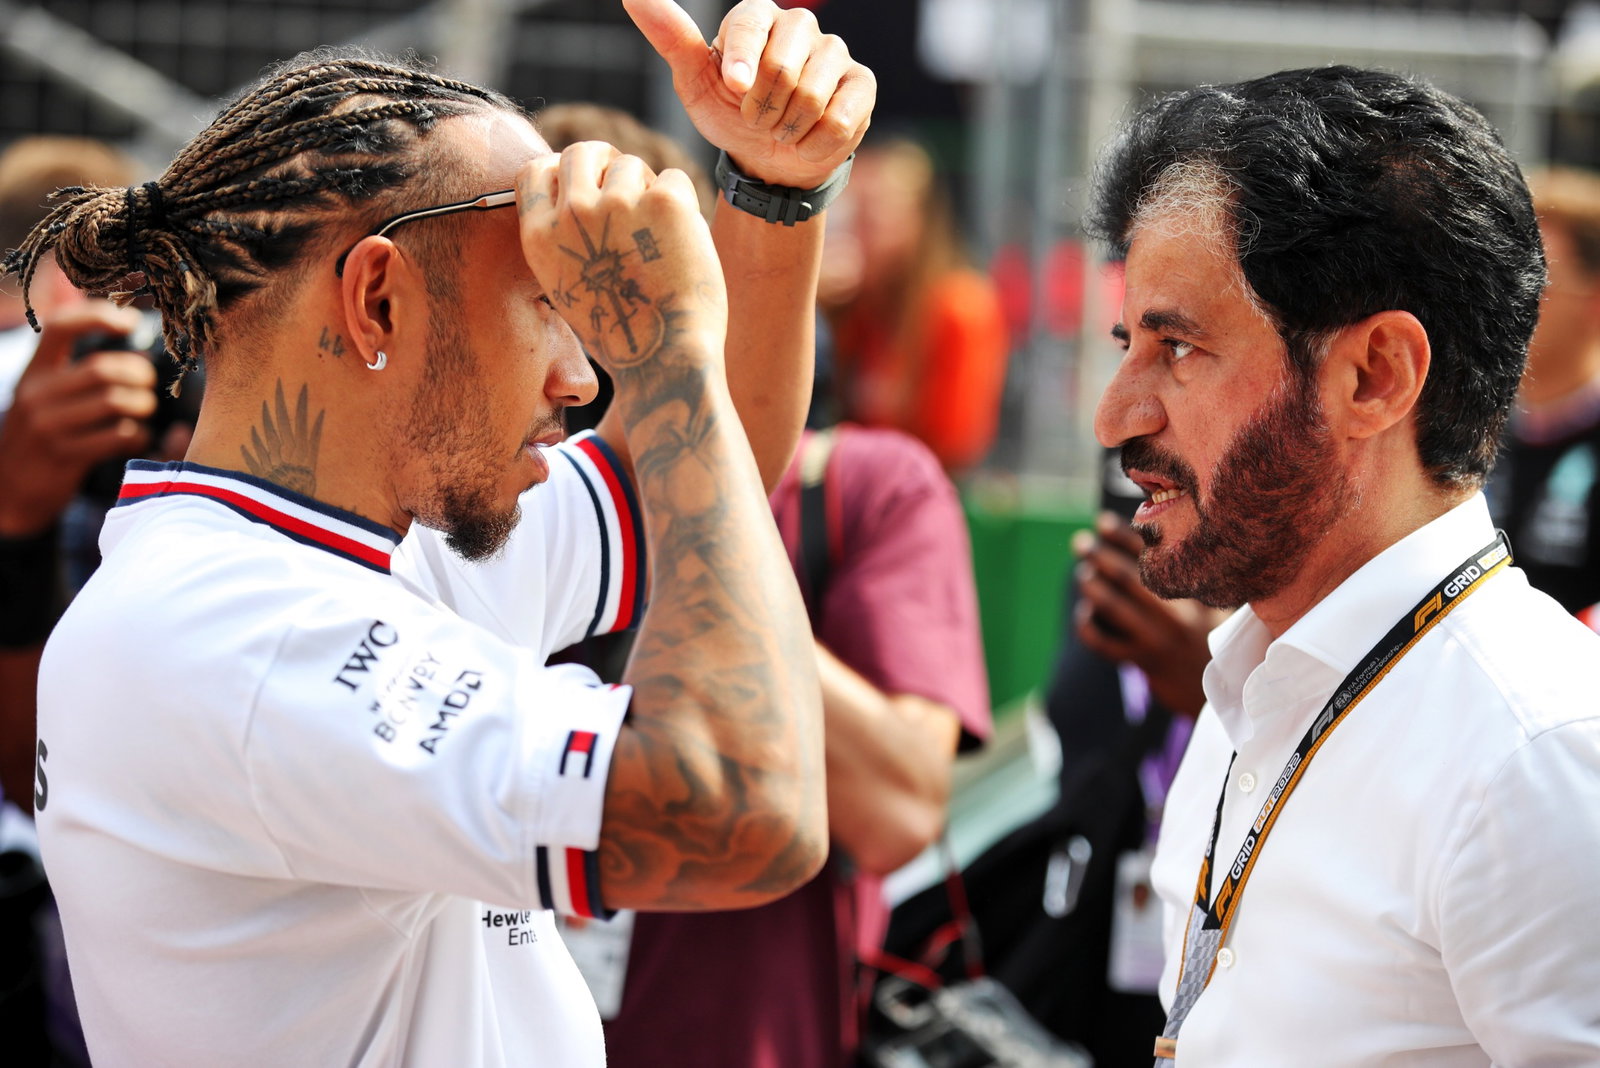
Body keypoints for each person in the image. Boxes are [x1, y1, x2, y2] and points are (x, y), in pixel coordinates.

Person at [7, 1, 877, 1064]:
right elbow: (742, 813)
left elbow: (709, 457)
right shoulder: (234, 634)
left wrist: (772, 189)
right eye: (545, 303)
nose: (580, 372)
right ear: (378, 298)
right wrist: (667, 356)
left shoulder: (369, 545)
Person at [1087, 66, 1600, 1065]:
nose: (1116, 415)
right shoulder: (1253, 684)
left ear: (1373, 376)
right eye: (1126, 342)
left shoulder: (1531, 758)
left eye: (1178, 346)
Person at [525, 100, 990, 1066]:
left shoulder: (864, 490)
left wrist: (712, 561)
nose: (578, 343)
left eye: (616, 276)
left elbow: (902, 810)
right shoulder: (471, 507)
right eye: (538, 288)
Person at [818, 136, 1008, 473]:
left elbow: (955, 442)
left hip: (918, 491)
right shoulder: (854, 305)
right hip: (852, 487)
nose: (855, 235)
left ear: (918, 218)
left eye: (873, 217)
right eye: (849, 215)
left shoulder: (960, 307)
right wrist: (818, 310)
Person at [1485, 166, 1600, 613]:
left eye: (1538, 279)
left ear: (1594, 300)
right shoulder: (1456, 427)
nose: (1511, 297)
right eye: (1502, 274)